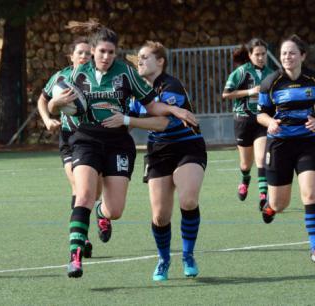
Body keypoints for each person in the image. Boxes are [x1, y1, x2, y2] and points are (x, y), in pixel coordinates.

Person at [48, 20, 198, 278]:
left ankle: (101, 212)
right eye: (101, 51)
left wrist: (173, 109)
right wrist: (55, 103)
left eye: (111, 52)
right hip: (86, 139)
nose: (106, 57)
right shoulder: (76, 75)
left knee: (115, 210)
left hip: (118, 143)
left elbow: (152, 105)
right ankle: (75, 256)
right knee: (83, 193)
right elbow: (52, 106)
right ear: (93, 50)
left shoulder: (126, 73)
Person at [105, 41, 207, 281]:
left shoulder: (170, 86)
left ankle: (188, 255)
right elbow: (124, 123)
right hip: (158, 152)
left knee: (189, 199)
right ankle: (163, 260)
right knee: (160, 216)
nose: (139, 61)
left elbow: (162, 123)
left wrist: (127, 120)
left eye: (145, 57)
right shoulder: (135, 90)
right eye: (138, 57)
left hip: (187, 147)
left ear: (160, 61)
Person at [257, 35, 315, 263]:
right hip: (279, 145)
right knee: (280, 204)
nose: (287, 57)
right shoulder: (271, 82)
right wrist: (271, 122)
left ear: (302, 56)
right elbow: (260, 114)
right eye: (284, 53)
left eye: (292, 52)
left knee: (311, 194)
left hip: (308, 143)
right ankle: (270, 207)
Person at [37, 36, 98, 257]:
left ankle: (100, 211)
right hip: (68, 137)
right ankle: (83, 238)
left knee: (92, 190)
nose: (84, 56)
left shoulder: (96, 77)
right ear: (70, 56)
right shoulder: (60, 77)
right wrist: (47, 119)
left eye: (87, 53)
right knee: (78, 186)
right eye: (79, 52)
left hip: (93, 138)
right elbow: (43, 100)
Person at [222, 38, 273, 210]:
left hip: (261, 120)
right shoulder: (241, 72)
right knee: (246, 164)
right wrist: (250, 91)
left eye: (263, 54)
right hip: (243, 121)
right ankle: (245, 179)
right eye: (257, 54)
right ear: (250, 55)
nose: (260, 57)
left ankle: (263, 196)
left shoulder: (271, 74)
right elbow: (226, 94)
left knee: (261, 159)